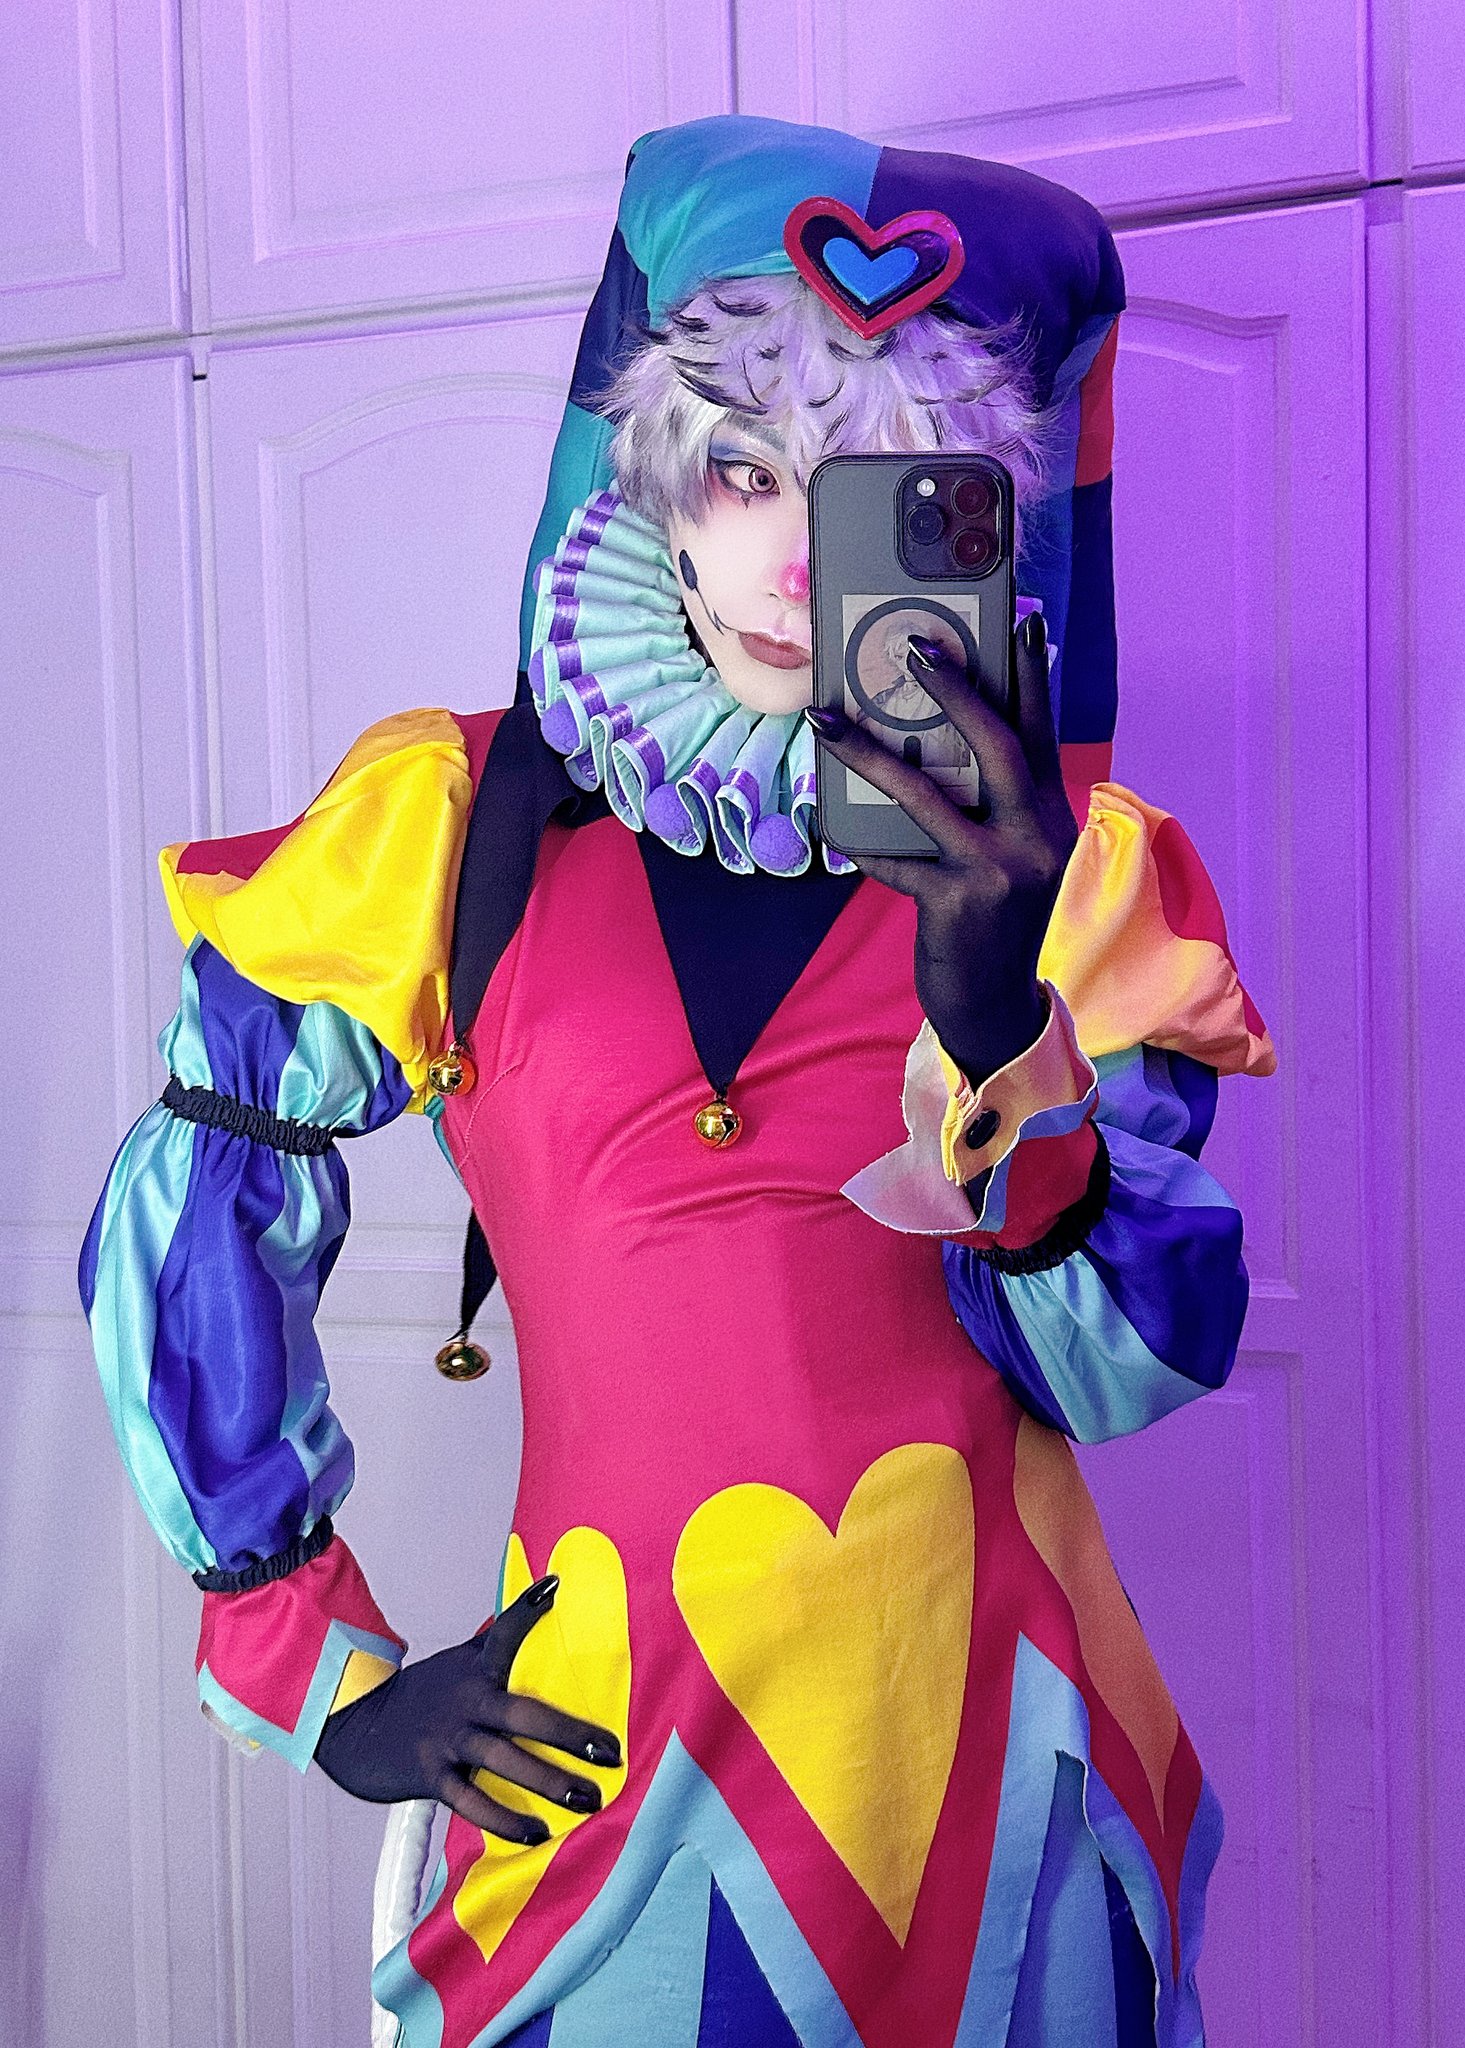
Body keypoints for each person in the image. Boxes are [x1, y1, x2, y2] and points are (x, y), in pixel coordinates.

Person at [80, 116, 1274, 2048]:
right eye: (743, 467)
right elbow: (195, 1197)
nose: (797, 558)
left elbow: (1127, 1371)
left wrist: (999, 1024)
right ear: (652, 473)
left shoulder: (1080, 878)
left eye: (880, 482)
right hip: (601, 1778)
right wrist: (320, 1661)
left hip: (1005, 1794)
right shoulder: (447, 829)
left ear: (974, 518)